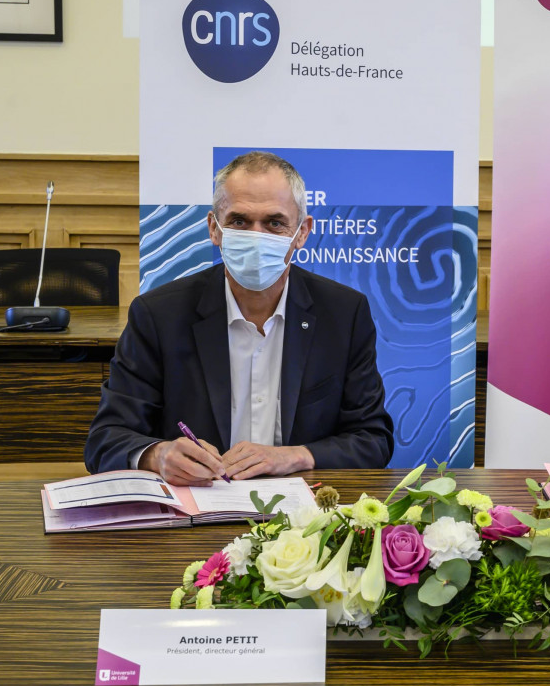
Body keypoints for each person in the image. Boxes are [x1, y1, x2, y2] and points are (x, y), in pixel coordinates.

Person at [85, 151, 393, 483]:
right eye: (240, 222)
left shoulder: (344, 314)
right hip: (199, 511)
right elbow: (106, 439)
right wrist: (157, 456)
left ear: (302, 233)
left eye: (274, 223)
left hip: (303, 519)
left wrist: (296, 456)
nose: (256, 237)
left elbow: (373, 439)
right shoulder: (158, 315)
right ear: (213, 229)